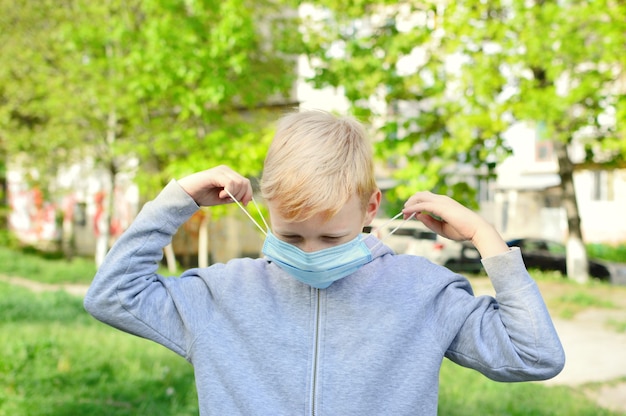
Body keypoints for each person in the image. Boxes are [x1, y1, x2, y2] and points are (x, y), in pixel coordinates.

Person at [84, 110, 565, 415]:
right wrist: (179, 198)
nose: (310, 252)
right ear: (265, 208)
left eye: (332, 235)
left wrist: (489, 242)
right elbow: (112, 295)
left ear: (372, 207)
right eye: (290, 235)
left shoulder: (424, 292)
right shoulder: (221, 295)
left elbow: (534, 355)